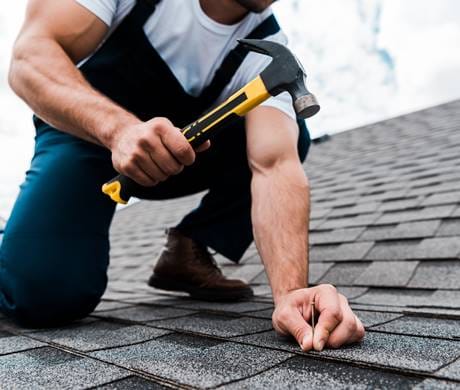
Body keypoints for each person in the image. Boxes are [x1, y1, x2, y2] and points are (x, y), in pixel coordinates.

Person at [0, 0, 364, 351]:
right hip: (84, 139)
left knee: (290, 135)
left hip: (180, 158)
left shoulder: (267, 51)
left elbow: (275, 167)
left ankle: (189, 248)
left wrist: (292, 296)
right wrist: (119, 130)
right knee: (43, 293)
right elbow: (29, 57)